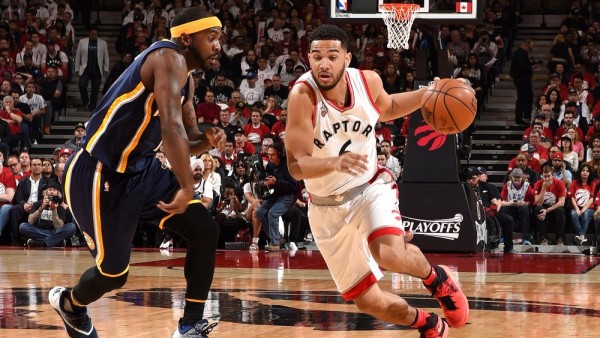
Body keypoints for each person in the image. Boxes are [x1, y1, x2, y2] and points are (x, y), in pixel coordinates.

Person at [48, 8, 226, 338]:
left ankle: (189, 326)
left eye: (220, 39)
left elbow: (186, 139)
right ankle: (70, 303)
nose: (218, 46)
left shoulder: (185, 75)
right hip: (100, 173)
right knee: (114, 275)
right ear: (186, 38)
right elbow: (171, 128)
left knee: (204, 229)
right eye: (211, 38)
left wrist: (208, 139)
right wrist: (187, 186)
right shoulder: (166, 57)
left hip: (142, 172)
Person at [284, 24, 468, 337]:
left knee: (391, 254)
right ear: (309, 59)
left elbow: (389, 107)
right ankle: (428, 324)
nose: (323, 64)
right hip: (326, 208)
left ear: (347, 58)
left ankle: (439, 280)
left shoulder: (367, 81)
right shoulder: (302, 97)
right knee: (368, 302)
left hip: (369, 188)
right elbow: (296, 166)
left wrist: (429, 94)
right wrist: (335, 162)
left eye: (331, 56)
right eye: (316, 57)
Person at [19, 180, 76, 248]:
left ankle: (41, 243)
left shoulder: (60, 207)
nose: (51, 192)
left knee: (71, 227)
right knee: (23, 226)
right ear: (46, 192)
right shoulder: (37, 204)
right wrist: (41, 207)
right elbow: (30, 221)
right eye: (50, 190)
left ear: (58, 193)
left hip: (54, 232)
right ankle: (55, 242)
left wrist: (54, 210)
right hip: (39, 231)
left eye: (54, 190)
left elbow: (59, 227)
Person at [74, 27, 109, 112]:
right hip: (85, 67)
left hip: (97, 68)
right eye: (92, 34)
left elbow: (106, 56)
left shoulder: (103, 43)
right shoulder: (82, 42)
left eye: (95, 34)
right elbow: (78, 55)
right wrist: (77, 68)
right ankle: (85, 101)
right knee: (82, 85)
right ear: (89, 34)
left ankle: (92, 105)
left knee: (95, 89)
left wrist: (106, 68)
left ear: (97, 35)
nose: (94, 36)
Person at [500, 168, 535, 245]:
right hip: (510, 206)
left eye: (518, 180)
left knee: (525, 210)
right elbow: (502, 200)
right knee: (504, 210)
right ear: (511, 177)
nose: (516, 182)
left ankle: (526, 238)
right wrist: (509, 203)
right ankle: (503, 236)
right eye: (514, 180)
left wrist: (523, 203)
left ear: (522, 177)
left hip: (522, 207)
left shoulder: (527, 186)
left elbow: (532, 202)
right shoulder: (507, 185)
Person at [534, 164, 567, 245]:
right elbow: (538, 203)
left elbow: (561, 202)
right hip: (543, 206)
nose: (547, 178)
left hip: (554, 207)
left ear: (552, 174)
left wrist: (547, 210)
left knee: (560, 210)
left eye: (549, 176)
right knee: (538, 209)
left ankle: (560, 238)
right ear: (542, 176)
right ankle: (544, 238)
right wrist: (543, 188)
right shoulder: (538, 184)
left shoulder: (560, 183)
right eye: (545, 176)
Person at [510, 39, 537, 125]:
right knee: (522, 98)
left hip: (523, 79)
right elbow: (523, 67)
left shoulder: (521, 53)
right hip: (521, 79)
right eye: (529, 49)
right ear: (526, 45)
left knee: (528, 96)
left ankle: (526, 116)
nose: (529, 51)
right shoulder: (520, 53)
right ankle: (520, 117)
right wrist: (531, 67)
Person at [568, 164, 596, 245]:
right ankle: (582, 235)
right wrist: (577, 208)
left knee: (586, 213)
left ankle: (581, 236)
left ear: (589, 173)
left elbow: (592, 198)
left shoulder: (592, 184)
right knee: (573, 213)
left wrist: (583, 209)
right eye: (583, 170)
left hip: (589, 208)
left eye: (587, 171)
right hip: (576, 206)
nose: (585, 172)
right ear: (580, 172)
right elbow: (572, 197)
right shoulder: (574, 183)